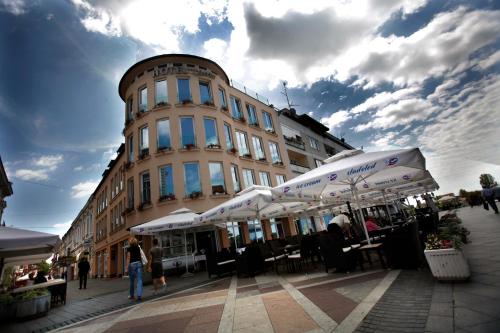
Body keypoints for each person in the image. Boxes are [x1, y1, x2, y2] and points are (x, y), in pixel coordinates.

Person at [126, 236, 143, 301]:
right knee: (139, 280)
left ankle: (132, 295)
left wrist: (127, 267)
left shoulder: (129, 248)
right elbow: (140, 256)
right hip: (139, 264)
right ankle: (139, 295)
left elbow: (128, 257)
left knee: (132, 281)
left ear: (130, 242)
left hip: (132, 265)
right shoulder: (138, 248)